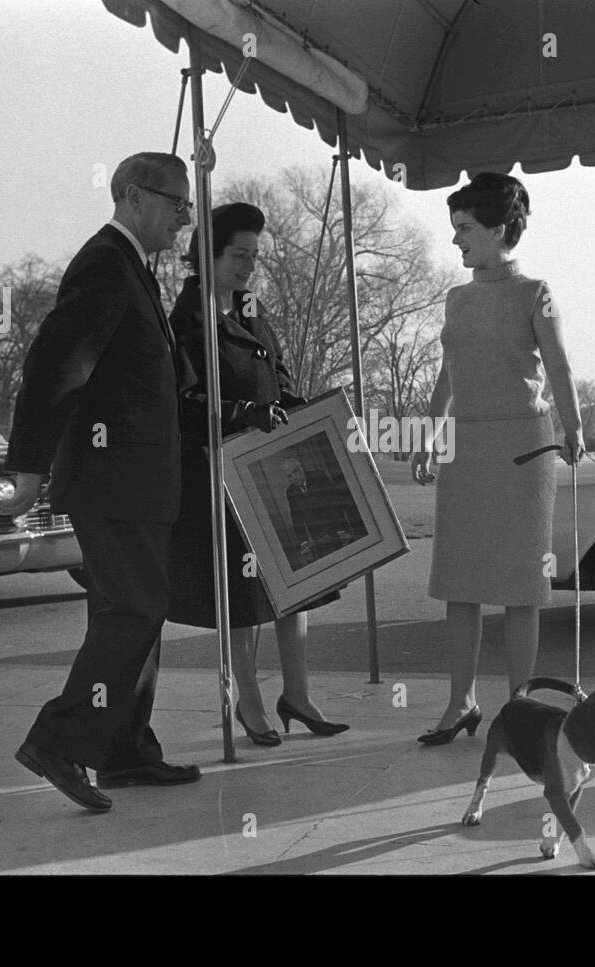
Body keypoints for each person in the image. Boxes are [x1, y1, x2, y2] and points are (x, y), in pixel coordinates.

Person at [0, 152, 201, 811]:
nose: (185, 215)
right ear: (133, 197)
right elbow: (57, 365)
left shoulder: (135, 270)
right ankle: (59, 740)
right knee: (134, 610)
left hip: (139, 483)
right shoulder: (104, 264)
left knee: (135, 612)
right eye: (176, 201)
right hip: (112, 480)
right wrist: (28, 466)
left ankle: (124, 752)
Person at [410, 172, 585, 746]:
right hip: (465, 446)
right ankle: (460, 702)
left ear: (498, 229)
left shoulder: (538, 292)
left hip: (524, 448)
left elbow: (557, 366)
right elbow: (447, 372)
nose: (456, 240)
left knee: (518, 584)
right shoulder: (457, 297)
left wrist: (575, 425)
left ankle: (521, 706)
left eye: (465, 229)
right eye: (454, 228)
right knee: (459, 579)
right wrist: (429, 434)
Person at [168, 202, 348, 746]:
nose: (249, 266)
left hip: (270, 466)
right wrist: (242, 414)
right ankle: (248, 701)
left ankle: (298, 694)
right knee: (244, 591)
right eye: (239, 255)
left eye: (254, 256)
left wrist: (308, 408)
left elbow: (276, 374)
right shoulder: (188, 319)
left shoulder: (250, 307)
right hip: (220, 474)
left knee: (297, 584)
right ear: (208, 255)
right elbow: (183, 400)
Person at [282, 457, 364, 567]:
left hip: (337, 528)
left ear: (301, 468)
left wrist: (338, 530)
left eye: (295, 472)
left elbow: (335, 504)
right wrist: (303, 542)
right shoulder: (290, 492)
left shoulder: (318, 477)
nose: (294, 478)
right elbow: (297, 518)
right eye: (289, 476)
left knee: (352, 562)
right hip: (318, 537)